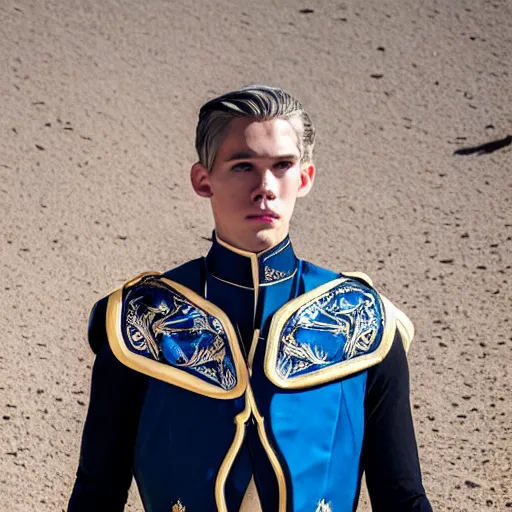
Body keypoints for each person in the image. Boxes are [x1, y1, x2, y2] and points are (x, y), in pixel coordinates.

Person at [68, 85, 432, 512]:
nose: (265, 187)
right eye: (243, 166)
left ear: (305, 177)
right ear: (203, 179)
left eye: (282, 166)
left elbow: (403, 498)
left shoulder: (366, 321)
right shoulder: (138, 321)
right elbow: (97, 493)